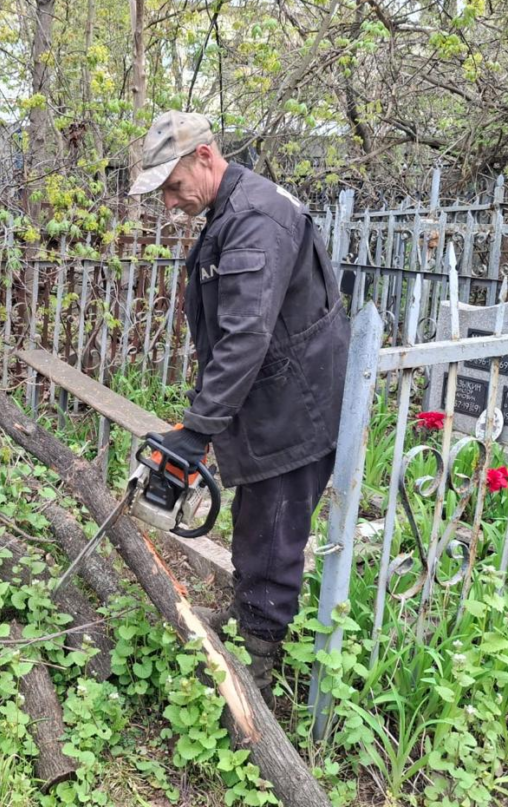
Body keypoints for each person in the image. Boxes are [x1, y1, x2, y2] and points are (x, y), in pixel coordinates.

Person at [128, 111, 350, 702]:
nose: (172, 202)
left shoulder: (254, 219)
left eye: (175, 186)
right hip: (271, 392)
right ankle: (251, 617)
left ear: (205, 155)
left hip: (293, 400)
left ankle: (261, 662)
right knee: (258, 515)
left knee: (275, 525)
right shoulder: (232, 206)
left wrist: (198, 428)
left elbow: (245, 335)